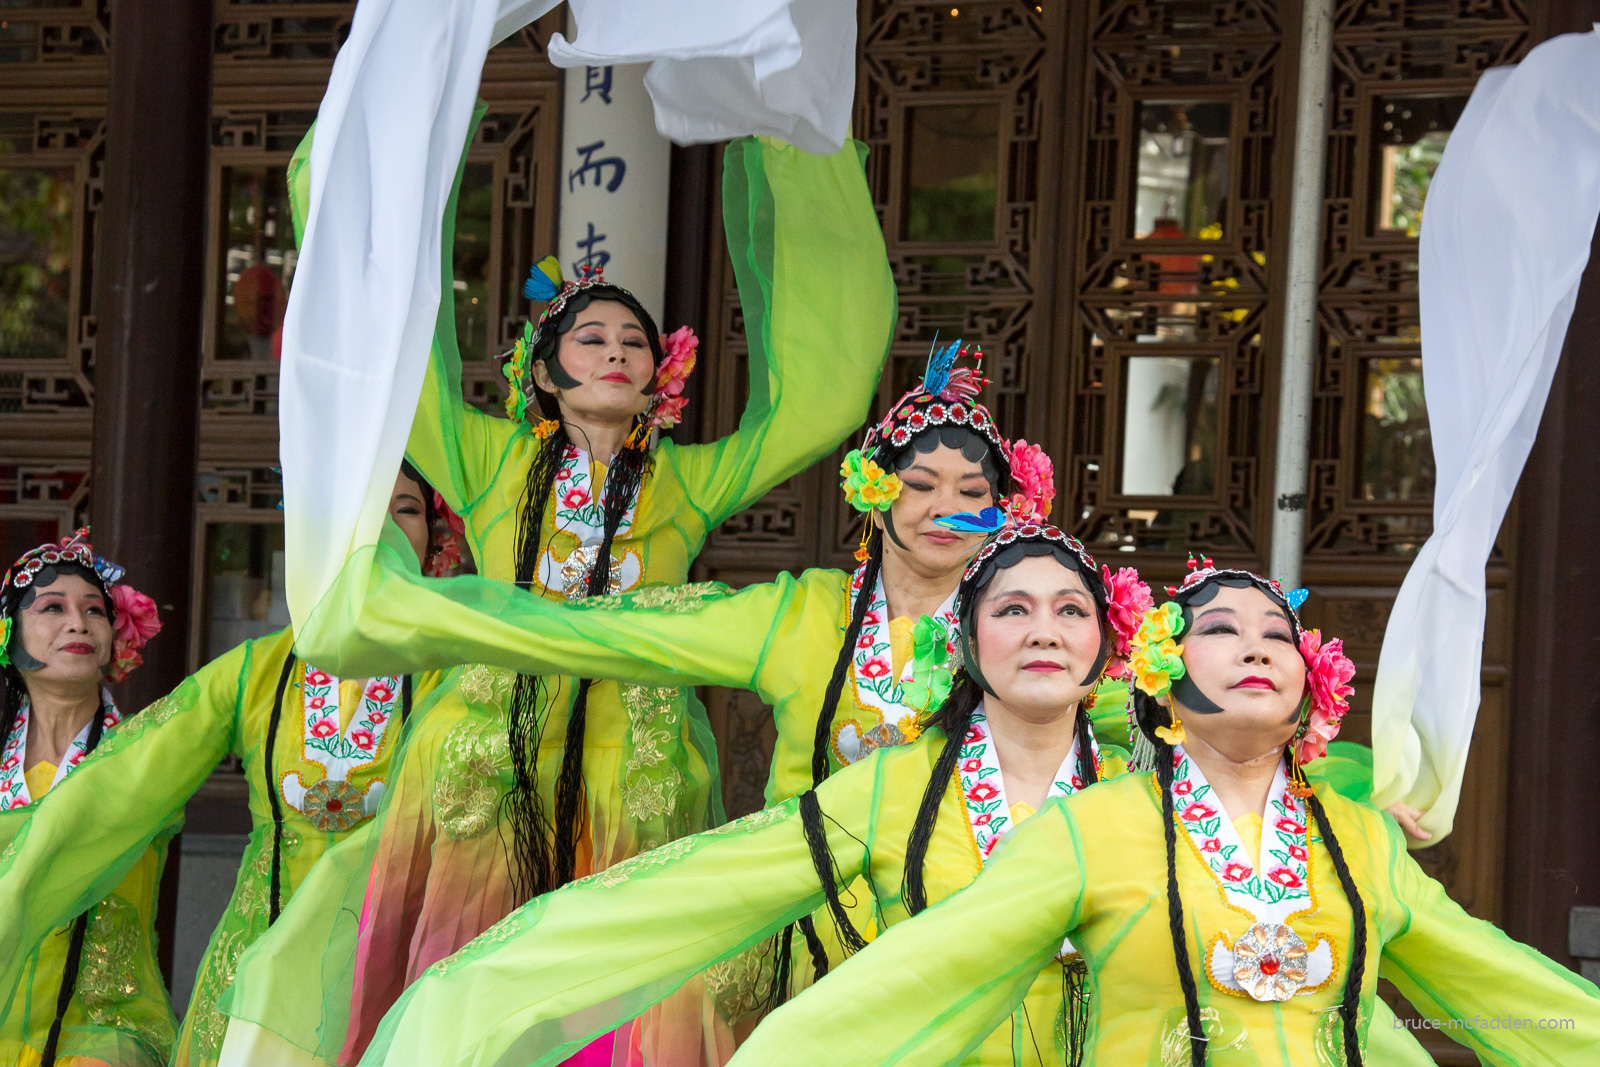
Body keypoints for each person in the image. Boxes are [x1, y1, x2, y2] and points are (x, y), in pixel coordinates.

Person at [219, 109, 895, 1066]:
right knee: (460, 976)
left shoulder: (688, 480)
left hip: (639, 756)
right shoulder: (487, 459)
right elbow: (393, 373)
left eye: (633, 340)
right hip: (482, 752)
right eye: (590, 338)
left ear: (661, 374)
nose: (616, 350)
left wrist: (800, 156)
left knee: (619, 986)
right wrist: (375, 170)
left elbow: (814, 410)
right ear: (543, 370)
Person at [328, 514, 1152, 1067]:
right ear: (966, 640)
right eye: (1013, 608)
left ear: (1105, 643)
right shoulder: (892, 787)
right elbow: (705, 882)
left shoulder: (1144, 798)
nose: (1044, 628)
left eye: (1070, 609)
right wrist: (494, 977)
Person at [712, 562, 1600, 1066]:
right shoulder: (1094, 827)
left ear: (1310, 691)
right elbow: (918, 975)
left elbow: (1507, 993)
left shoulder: (1356, 836)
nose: (1256, 642)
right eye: (1220, 630)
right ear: (1163, 693)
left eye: (1277, 634)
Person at [0, 470, 450, 1067]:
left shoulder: (454, 671)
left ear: (435, 539)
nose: (384, 531)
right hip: (260, 954)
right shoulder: (254, 671)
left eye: (407, 511)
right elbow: (124, 782)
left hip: (397, 955)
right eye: (363, 509)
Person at [0, 530, 167, 1067]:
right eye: (53, 608)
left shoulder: (145, 750)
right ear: (8, 633)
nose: (79, 622)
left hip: (103, 1018)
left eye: (96, 611)